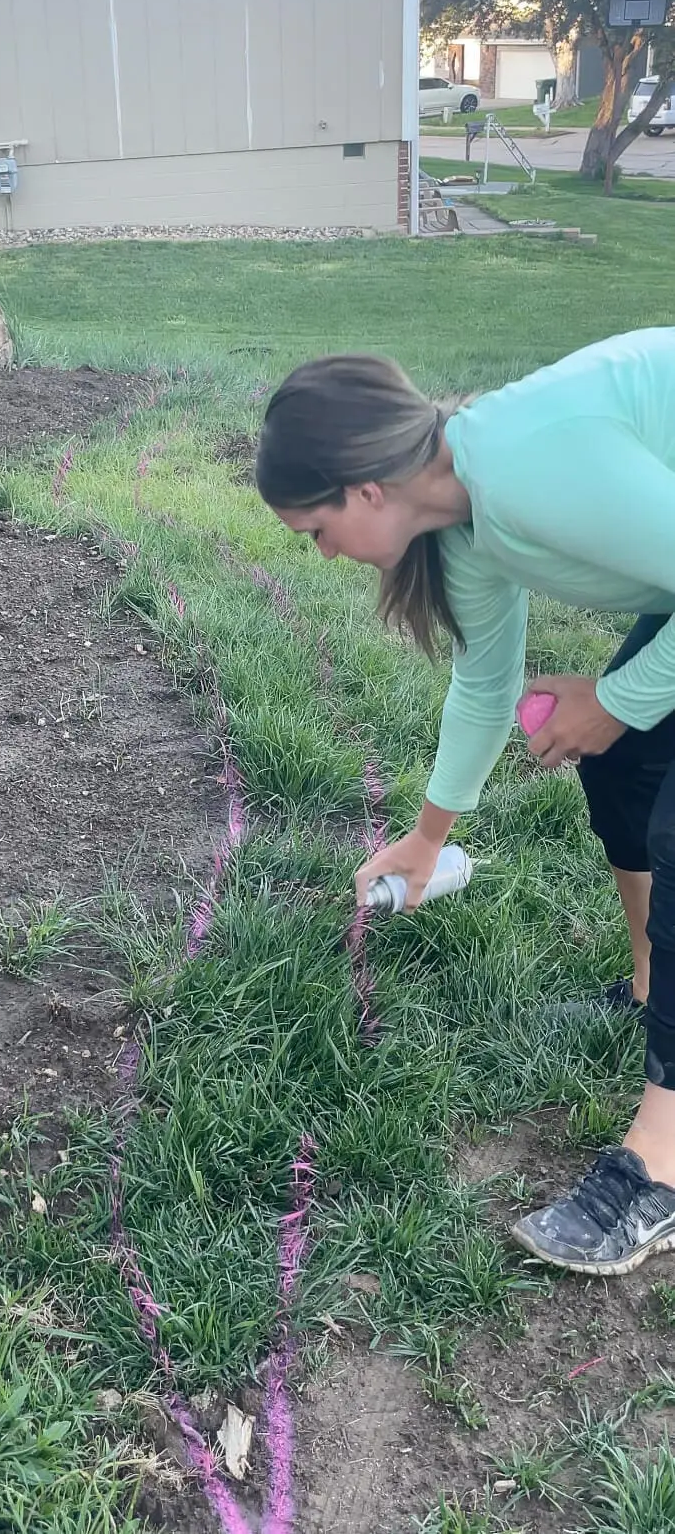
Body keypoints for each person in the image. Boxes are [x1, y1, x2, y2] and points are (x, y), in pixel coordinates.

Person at [255, 328, 675, 1277]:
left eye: (314, 533)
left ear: (365, 489)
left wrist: (612, 702)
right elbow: (489, 684)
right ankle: (653, 992)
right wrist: (424, 836)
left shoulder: (524, 466)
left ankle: (664, 1163)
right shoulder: (466, 516)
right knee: (624, 770)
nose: (322, 556)